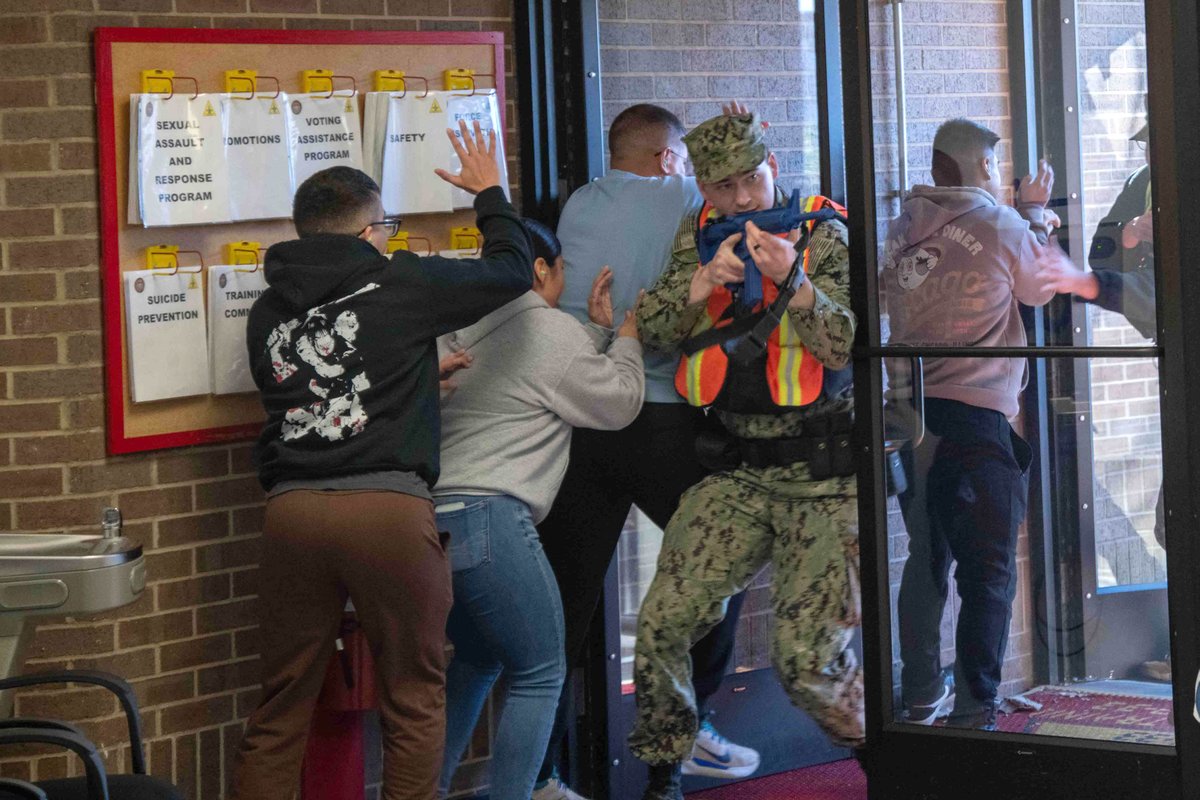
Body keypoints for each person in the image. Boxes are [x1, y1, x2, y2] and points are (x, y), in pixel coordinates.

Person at [230, 121, 531, 800]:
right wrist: (490, 194)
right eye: (386, 227)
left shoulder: (267, 311)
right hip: (387, 513)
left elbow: (320, 386)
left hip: (293, 515)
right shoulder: (402, 282)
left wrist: (418, 371)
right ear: (369, 231)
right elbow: (514, 269)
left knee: (280, 708)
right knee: (413, 698)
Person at [627, 111, 863, 800]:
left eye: (750, 180)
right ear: (701, 184)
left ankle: (880, 752)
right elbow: (659, 332)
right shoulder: (700, 233)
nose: (740, 200)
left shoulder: (823, 233)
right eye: (722, 186)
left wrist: (796, 280)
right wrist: (701, 284)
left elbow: (846, 344)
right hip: (739, 472)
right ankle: (664, 772)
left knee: (804, 662)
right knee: (666, 620)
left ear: (773, 167)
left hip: (825, 477)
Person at [533, 104, 757, 800]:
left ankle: (538, 774)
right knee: (721, 573)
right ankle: (684, 743)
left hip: (583, 427)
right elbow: (756, 208)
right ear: (668, 159)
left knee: (562, 608)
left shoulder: (578, 205)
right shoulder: (687, 199)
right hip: (665, 422)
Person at [882, 118, 1083, 730]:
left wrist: (1024, 217)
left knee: (926, 558)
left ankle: (920, 695)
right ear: (984, 168)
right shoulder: (1000, 225)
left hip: (913, 420)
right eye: (994, 166)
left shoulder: (901, 228)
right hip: (977, 419)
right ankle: (976, 709)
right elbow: (1042, 288)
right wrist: (1037, 218)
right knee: (988, 573)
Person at [433, 219, 645, 800]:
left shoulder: (456, 328)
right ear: (541, 270)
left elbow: (544, 384)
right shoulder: (548, 330)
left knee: (476, 661)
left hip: (434, 529)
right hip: (492, 522)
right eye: (561, 275)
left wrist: (594, 337)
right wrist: (627, 338)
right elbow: (618, 403)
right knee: (541, 672)